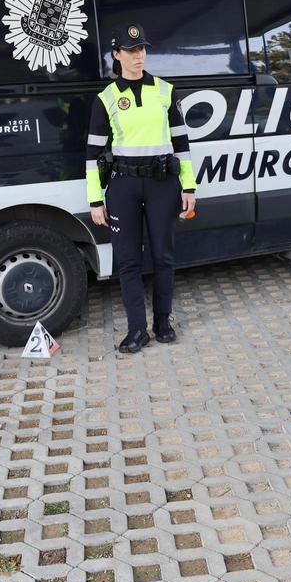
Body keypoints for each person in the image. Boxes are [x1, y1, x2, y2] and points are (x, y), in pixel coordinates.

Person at [84, 24, 197, 353]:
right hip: (123, 187)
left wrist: (188, 186)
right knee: (129, 261)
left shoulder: (164, 90)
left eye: (143, 49)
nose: (139, 56)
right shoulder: (105, 99)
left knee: (164, 255)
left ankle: (163, 320)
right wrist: (95, 199)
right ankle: (137, 329)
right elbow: (92, 154)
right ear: (116, 55)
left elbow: (181, 142)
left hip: (163, 184)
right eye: (132, 51)